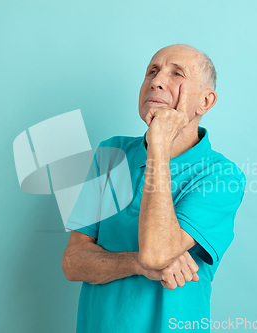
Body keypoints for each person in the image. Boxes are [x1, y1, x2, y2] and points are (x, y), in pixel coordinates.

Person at [62, 43, 246, 333]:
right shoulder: (112, 152)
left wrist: (158, 144)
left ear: (205, 102)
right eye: (152, 71)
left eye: (176, 74)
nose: (156, 81)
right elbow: (73, 262)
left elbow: (156, 253)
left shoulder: (222, 175)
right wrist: (137, 264)